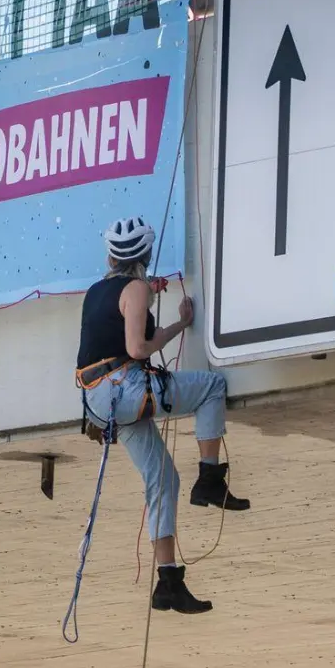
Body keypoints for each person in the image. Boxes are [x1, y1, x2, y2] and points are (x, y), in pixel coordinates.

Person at [74, 217, 249, 615]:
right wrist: (179, 324)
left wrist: (146, 298)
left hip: (101, 402)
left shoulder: (97, 291)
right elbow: (137, 348)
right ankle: (208, 479)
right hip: (125, 390)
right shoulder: (135, 290)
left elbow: (115, 323)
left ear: (110, 257)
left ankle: (167, 581)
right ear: (146, 256)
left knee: (163, 477)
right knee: (211, 388)